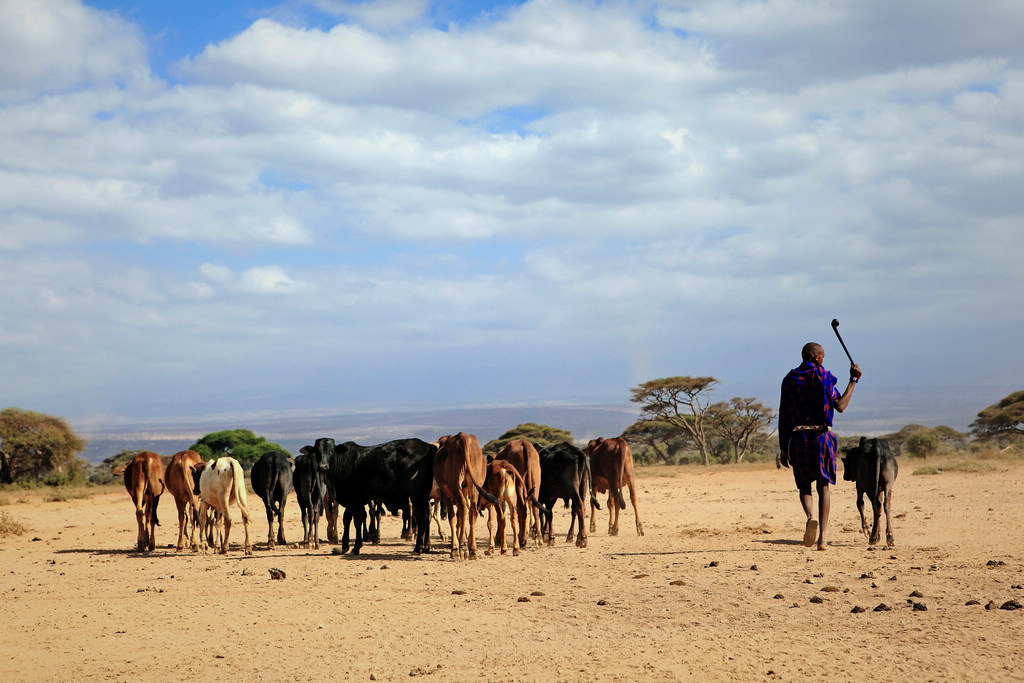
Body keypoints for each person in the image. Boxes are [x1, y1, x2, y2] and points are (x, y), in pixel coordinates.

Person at [778, 342, 861, 550]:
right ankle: (823, 539)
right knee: (823, 486)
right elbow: (840, 406)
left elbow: (784, 415)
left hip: (798, 437)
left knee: (804, 485)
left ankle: (810, 516)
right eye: (822, 357)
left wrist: (783, 447)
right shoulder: (824, 377)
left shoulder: (789, 380)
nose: (823, 360)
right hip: (822, 437)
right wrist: (853, 380)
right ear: (816, 357)